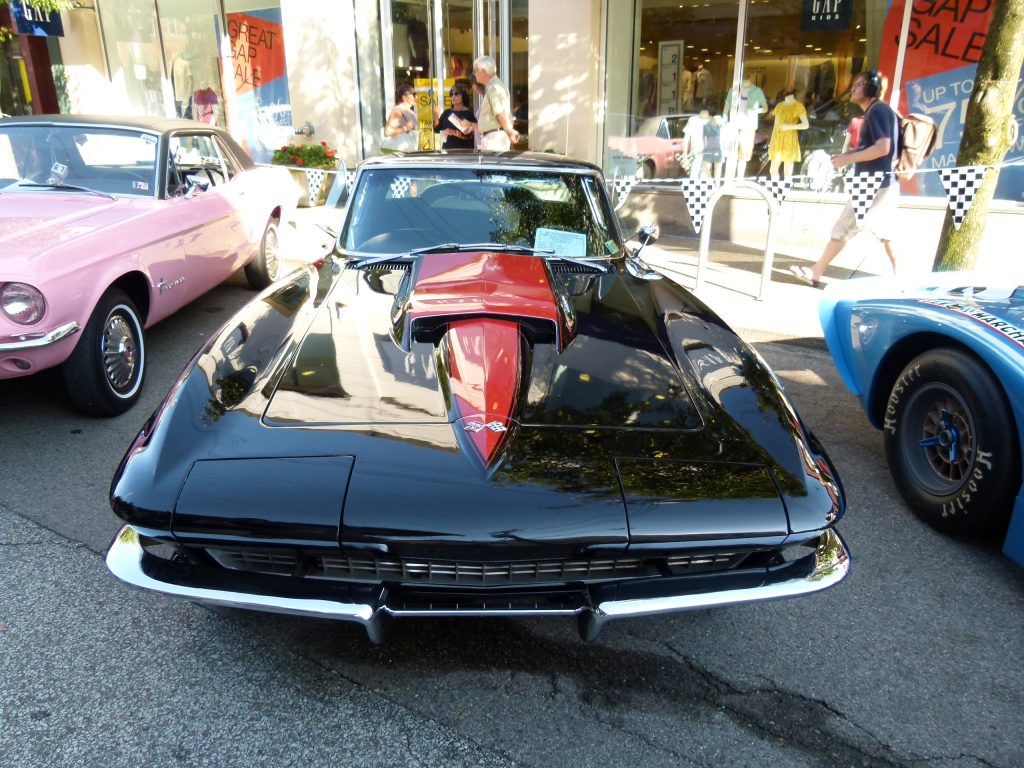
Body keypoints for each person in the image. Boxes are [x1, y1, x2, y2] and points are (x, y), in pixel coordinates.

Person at [791, 70, 900, 287]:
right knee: (884, 234)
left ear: (871, 88)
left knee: (844, 229)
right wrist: (849, 156)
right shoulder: (880, 111)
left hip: (871, 183)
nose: (853, 88)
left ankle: (816, 272)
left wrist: (847, 160)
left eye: (859, 84)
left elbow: (882, 148)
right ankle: (902, 279)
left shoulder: (877, 112)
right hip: (881, 182)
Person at [472, 55, 519, 151]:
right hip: (495, 136)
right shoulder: (495, 86)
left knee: (492, 165)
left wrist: (509, 131)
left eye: (476, 70)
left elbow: (500, 113)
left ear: (483, 71)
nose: (475, 73)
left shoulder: (494, 87)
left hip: (494, 138)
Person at [768, 90, 809, 179]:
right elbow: (775, 125)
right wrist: (771, 141)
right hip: (778, 139)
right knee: (773, 170)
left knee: (787, 171)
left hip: (790, 139)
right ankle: (776, 190)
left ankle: (784, 191)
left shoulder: (798, 106)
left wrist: (789, 126)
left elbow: (806, 125)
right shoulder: (779, 106)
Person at [433, 84, 476, 150]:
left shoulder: (469, 114)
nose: (453, 96)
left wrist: (454, 133)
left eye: (456, 94)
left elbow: (471, 136)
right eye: (451, 94)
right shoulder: (447, 112)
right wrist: (436, 115)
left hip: (464, 151)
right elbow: (436, 129)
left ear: (463, 95)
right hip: (448, 151)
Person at [382, 83, 419, 153]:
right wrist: (405, 128)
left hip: (409, 151)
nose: (416, 97)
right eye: (413, 95)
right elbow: (387, 132)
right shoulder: (397, 111)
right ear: (404, 97)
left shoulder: (410, 112)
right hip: (399, 153)